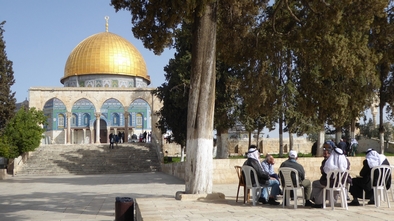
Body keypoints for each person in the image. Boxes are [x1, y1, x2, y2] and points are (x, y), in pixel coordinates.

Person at [311, 141, 351, 208]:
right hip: (342, 183)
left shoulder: (328, 162)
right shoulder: (346, 161)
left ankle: (318, 202)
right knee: (327, 184)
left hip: (330, 183)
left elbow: (324, 172)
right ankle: (331, 201)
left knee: (317, 184)